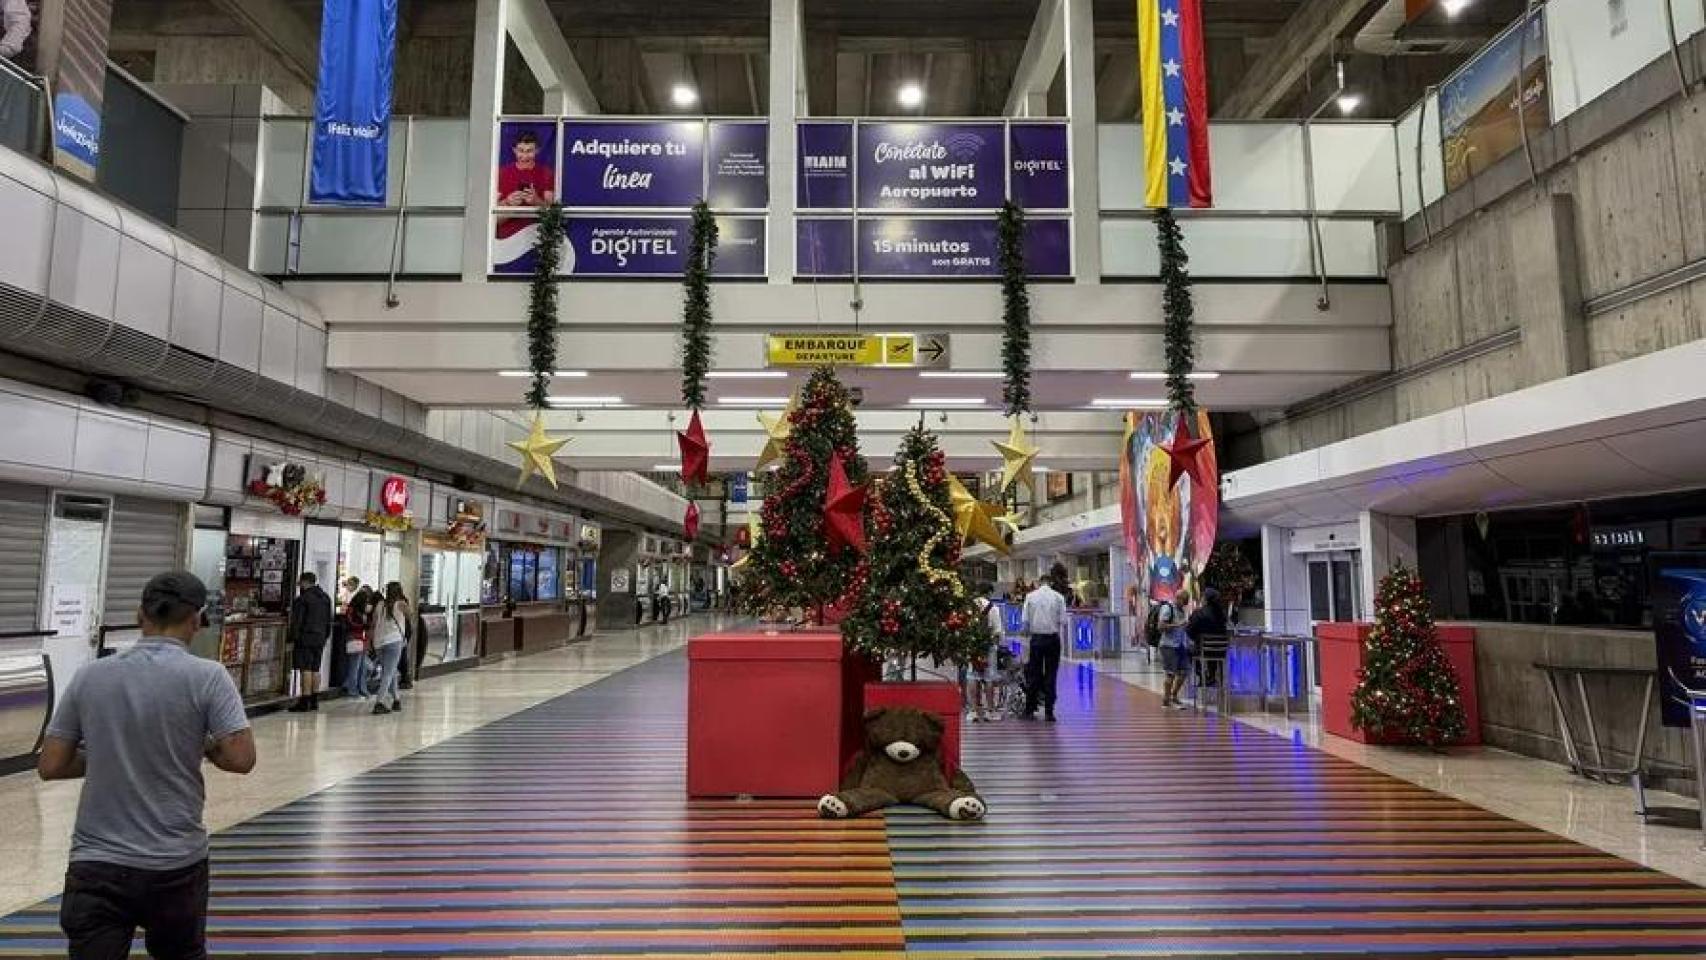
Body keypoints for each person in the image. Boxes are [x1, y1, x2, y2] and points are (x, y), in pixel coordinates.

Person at [38, 571, 256, 960]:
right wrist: (199, 746)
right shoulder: (208, 677)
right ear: (195, 620)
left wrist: (111, 753)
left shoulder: (91, 675)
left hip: (96, 863)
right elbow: (241, 759)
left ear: (140, 615)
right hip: (176, 862)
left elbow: (51, 764)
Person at [1020, 564, 1069, 722]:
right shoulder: (1059, 597)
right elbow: (1063, 621)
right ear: (1050, 583)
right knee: (1051, 674)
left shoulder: (1030, 597)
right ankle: (1049, 711)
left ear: (1039, 582)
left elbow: (1025, 621)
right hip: (1052, 639)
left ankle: (1030, 709)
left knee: (1033, 674)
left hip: (1036, 639)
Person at [286, 572, 333, 713]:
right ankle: (314, 700)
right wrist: (326, 636)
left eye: (300, 583)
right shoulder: (325, 598)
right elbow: (328, 620)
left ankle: (304, 700)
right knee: (315, 668)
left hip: (305, 637)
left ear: (305, 582)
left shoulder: (302, 599)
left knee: (305, 668)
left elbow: (297, 622)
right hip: (320, 637)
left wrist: (291, 638)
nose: (299, 585)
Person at [369, 582, 412, 715]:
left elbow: (373, 624)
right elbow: (410, 616)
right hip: (394, 641)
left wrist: (371, 642)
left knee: (390, 671)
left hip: (379, 642)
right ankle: (379, 702)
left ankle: (396, 700)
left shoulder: (380, 605)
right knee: (388, 673)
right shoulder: (401, 604)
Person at [971, 583, 1008, 722]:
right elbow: (998, 632)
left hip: (972, 647)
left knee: (972, 676)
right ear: (989, 593)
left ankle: (974, 711)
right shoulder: (993, 608)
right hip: (988, 646)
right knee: (989, 678)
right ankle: (990, 711)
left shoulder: (969, 606)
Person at [1186, 587, 1230, 692]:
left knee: (1190, 650)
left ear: (1205, 599)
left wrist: (1196, 637)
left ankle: (1202, 675)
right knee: (1212, 650)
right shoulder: (1222, 615)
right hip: (1221, 651)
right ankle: (1212, 675)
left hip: (1203, 649)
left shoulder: (1198, 613)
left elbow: (1190, 631)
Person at [497, 131, 555, 207]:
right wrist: (507, 202)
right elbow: (490, 212)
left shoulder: (547, 174)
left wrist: (536, 201)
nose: (525, 156)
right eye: (521, 151)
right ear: (514, 150)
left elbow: (552, 214)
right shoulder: (502, 174)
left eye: (529, 151)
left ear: (537, 150)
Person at [1156, 592, 1192, 709]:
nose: (1185, 605)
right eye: (1184, 602)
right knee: (1170, 673)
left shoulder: (1181, 610)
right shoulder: (1167, 608)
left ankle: (1174, 695)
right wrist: (1178, 625)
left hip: (1180, 645)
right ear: (1178, 598)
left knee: (1184, 671)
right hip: (1168, 645)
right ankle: (1166, 700)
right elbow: (1161, 626)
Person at [341, 583, 375, 699]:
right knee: (355, 667)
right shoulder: (353, 611)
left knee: (361, 667)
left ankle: (357, 688)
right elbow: (350, 623)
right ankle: (353, 690)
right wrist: (363, 625)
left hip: (361, 639)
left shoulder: (362, 613)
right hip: (355, 638)